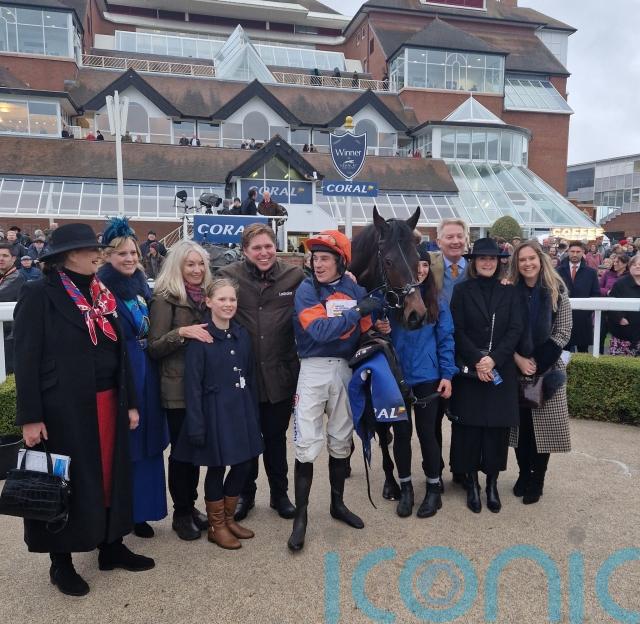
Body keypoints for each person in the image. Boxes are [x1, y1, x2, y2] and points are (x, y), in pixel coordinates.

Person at [13, 223, 154, 597]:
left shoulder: (101, 293)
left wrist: (131, 403)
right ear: (68, 256)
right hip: (63, 409)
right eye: (91, 249)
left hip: (108, 402)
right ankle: (60, 562)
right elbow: (25, 358)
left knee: (109, 476)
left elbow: (119, 352)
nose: (98, 254)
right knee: (64, 482)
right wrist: (30, 417)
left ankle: (111, 545)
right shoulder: (39, 294)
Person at [287, 230, 379, 551]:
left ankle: (337, 505)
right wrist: (357, 311)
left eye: (325, 258)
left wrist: (378, 315)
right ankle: (301, 518)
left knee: (341, 441)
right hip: (312, 370)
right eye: (315, 258)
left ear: (341, 261)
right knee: (305, 444)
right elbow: (321, 330)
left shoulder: (355, 288)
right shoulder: (306, 290)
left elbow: (368, 329)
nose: (318, 263)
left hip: (345, 370)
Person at [218, 224, 304, 521]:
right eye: (257, 248)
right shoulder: (229, 276)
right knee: (246, 439)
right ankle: (246, 494)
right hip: (243, 375)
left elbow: (322, 292)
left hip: (280, 373)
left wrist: (347, 279)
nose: (264, 253)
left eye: (268, 246)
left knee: (276, 438)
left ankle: (280, 494)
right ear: (245, 251)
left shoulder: (294, 276)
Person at [171, 278, 263, 549]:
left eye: (232, 299)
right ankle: (216, 526)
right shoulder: (201, 338)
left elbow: (249, 376)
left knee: (244, 464)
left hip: (241, 410)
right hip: (214, 413)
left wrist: (253, 415)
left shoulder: (241, 335)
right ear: (208, 302)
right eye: (222, 299)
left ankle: (228, 518)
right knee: (217, 467)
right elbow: (193, 387)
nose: (228, 304)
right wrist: (196, 426)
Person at [375, 242, 457, 518]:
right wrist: (379, 325)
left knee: (426, 433)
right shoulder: (390, 299)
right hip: (397, 377)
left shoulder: (437, 301)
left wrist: (447, 375)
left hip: (427, 377)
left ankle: (433, 488)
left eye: (424, 265)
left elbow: (446, 340)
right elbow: (376, 333)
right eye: (415, 265)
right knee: (401, 434)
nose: (420, 270)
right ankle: (406, 487)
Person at [98, 219, 169, 538]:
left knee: (149, 442)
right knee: (127, 444)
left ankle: (143, 511)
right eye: (122, 254)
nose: (129, 259)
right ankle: (122, 511)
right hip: (124, 372)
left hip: (147, 371)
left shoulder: (141, 287)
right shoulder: (102, 291)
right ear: (108, 256)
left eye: (133, 253)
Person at [449, 238, 523, 514]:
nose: (487, 262)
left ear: (498, 262)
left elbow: (515, 329)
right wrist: (479, 361)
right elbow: (457, 330)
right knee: (469, 430)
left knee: (496, 431)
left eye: (492, 258)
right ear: (474, 262)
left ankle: (492, 483)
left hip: (500, 368)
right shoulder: (461, 291)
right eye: (482, 258)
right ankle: (471, 483)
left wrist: (493, 360)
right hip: (471, 370)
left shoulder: (510, 291)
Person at [148, 240, 213, 540]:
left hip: (202, 387)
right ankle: (181, 512)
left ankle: (192, 505)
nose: (197, 269)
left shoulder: (207, 297)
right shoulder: (166, 299)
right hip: (176, 388)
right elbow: (154, 347)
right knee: (181, 453)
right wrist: (182, 332)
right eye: (190, 264)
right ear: (178, 266)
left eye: (201, 264)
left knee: (196, 450)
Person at [508, 241, 572, 505]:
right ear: (516, 263)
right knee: (520, 429)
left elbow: (563, 332)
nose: (527, 264)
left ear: (540, 259)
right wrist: (519, 359)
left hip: (547, 369)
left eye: (531, 258)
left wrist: (536, 363)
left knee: (542, 431)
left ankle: (538, 479)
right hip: (515, 369)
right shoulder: (510, 291)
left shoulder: (557, 290)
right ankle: (523, 474)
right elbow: (503, 331)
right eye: (522, 259)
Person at [429, 218, 468, 487]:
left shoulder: (478, 268)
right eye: (449, 237)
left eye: (459, 236)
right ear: (439, 241)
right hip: (436, 349)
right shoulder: (426, 266)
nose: (455, 241)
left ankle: (460, 467)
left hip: (466, 350)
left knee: (463, 415)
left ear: (466, 240)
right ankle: (436, 468)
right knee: (433, 417)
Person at [557, 241, 600, 353]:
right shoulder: (558, 271)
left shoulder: (591, 273)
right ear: (568, 252)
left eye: (578, 252)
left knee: (583, 352)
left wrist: (587, 312)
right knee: (563, 352)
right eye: (572, 251)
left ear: (583, 252)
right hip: (562, 318)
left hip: (583, 318)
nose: (575, 254)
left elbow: (595, 294)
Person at [0, 243, 25, 374]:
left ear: (14, 258)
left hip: (9, 336)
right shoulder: (3, 276)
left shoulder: (18, 279)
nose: (1, 259)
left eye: (5, 256)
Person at [608, 254, 640, 356]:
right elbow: (611, 303)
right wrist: (620, 318)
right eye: (634, 264)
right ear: (629, 267)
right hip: (624, 332)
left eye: (639, 264)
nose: (637, 266)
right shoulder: (620, 283)